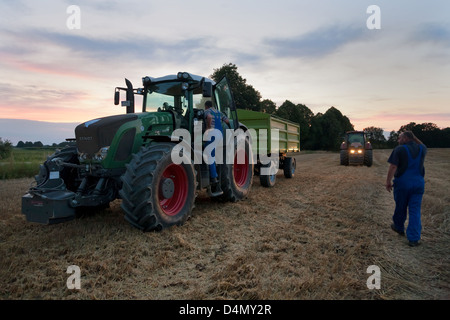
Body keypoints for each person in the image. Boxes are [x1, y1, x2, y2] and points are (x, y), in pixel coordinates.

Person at [385, 131, 427, 247]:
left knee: (401, 206)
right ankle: (414, 238)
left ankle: (398, 227)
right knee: (415, 210)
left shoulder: (399, 149)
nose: (398, 140)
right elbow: (422, 144)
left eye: (400, 138)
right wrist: (414, 138)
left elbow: (393, 166)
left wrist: (388, 181)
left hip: (403, 183)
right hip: (418, 184)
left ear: (405, 138)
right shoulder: (422, 148)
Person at [204, 100, 229, 186]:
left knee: (209, 154)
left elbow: (209, 117)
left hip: (212, 134)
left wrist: (208, 127)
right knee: (214, 154)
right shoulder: (219, 112)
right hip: (220, 134)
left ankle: (214, 177)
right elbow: (227, 121)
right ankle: (217, 171)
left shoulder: (207, 111)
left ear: (206, 106)